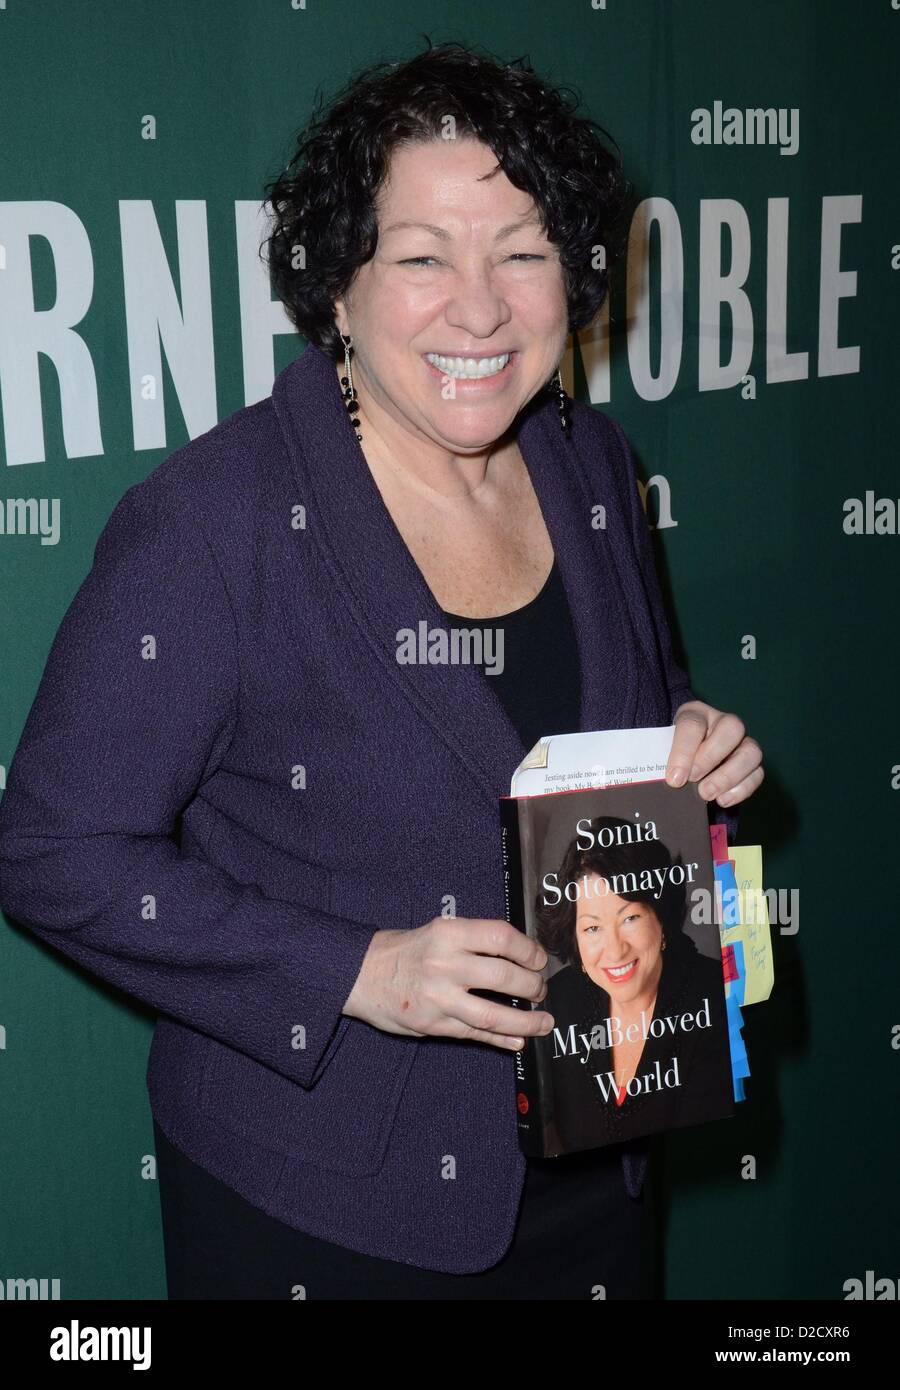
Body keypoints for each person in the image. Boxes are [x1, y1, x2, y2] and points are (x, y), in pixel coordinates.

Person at [0, 41, 764, 1300]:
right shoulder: (217, 521)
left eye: (521, 252)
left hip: (602, 1153)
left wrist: (689, 741)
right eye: (421, 256)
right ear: (337, 291)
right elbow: (52, 849)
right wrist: (357, 970)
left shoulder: (588, 461)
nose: (480, 308)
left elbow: (627, 709)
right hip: (332, 1207)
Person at [537, 815, 734, 1156]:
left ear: (660, 918)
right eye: (592, 928)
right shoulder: (555, 1003)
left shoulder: (714, 994)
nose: (615, 950)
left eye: (630, 918)